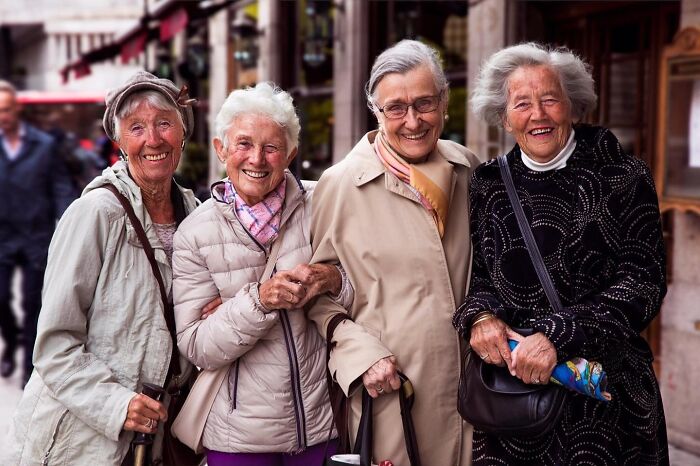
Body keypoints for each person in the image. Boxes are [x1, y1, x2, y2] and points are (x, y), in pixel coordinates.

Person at [453, 42, 668, 465]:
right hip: (514, 405)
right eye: (522, 104)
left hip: (604, 405)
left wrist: (557, 334)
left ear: (573, 105)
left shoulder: (622, 175)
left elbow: (645, 281)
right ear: (503, 117)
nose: (538, 114)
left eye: (550, 99)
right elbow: (479, 277)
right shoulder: (488, 184)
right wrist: (480, 317)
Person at [4, 71, 200, 465]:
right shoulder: (94, 214)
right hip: (78, 441)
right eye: (137, 128)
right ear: (119, 142)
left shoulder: (197, 216)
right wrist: (115, 404)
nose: (153, 139)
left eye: (164, 123)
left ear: (183, 133)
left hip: (155, 443)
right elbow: (55, 346)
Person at [307, 40, 481, 465]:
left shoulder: (468, 168)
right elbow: (317, 297)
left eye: (424, 103)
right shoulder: (342, 185)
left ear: (444, 102)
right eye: (396, 108)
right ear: (376, 111)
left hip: (474, 402)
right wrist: (362, 357)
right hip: (393, 399)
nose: (413, 121)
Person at [173, 82, 353, 466]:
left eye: (271, 147)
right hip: (239, 437)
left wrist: (333, 281)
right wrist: (259, 300)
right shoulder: (196, 232)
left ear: (289, 154)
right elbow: (197, 344)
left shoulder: (322, 204)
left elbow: (370, 287)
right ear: (221, 150)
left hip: (323, 422)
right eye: (243, 144)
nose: (257, 158)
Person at [0, 80, 76, 383]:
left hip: (36, 236)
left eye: (6, 109)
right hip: (2, 237)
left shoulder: (44, 145)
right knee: (0, 297)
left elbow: (60, 187)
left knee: (34, 302)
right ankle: (11, 338)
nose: (2, 116)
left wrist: (69, 222)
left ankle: (29, 368)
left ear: (17, 109)